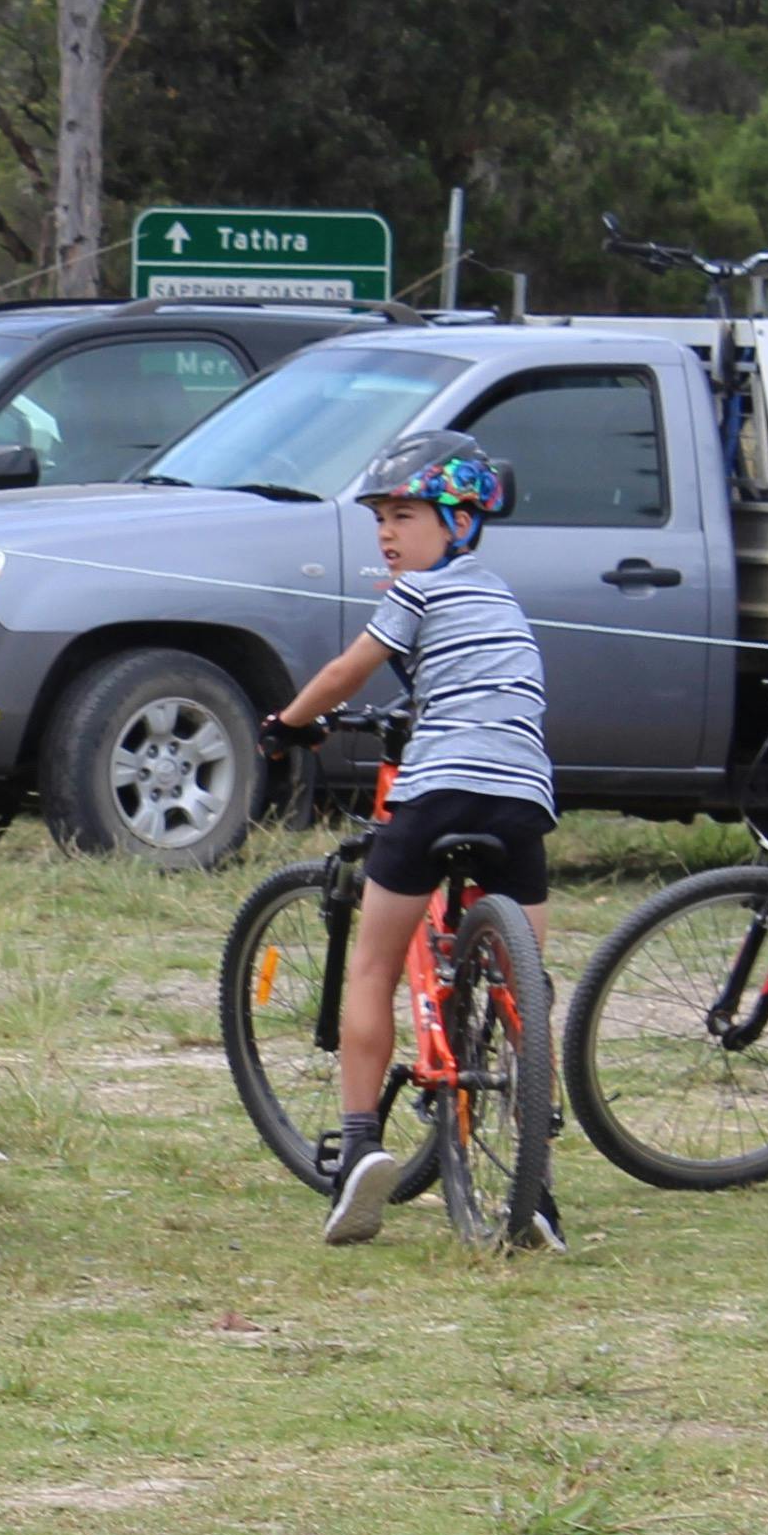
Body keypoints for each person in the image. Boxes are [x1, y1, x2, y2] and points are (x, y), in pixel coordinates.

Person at [260, 429, 562, 1251]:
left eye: (405, 515)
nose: (388, 535)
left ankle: (359, 1146)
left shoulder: (419, 595)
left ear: (458, 525)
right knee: (525, 988)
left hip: (434, 789)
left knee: (374, 963)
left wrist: (288, 723)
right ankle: (536, 1189)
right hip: (522, 800)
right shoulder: (501, 598)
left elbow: (346, 673)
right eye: (380, 521)